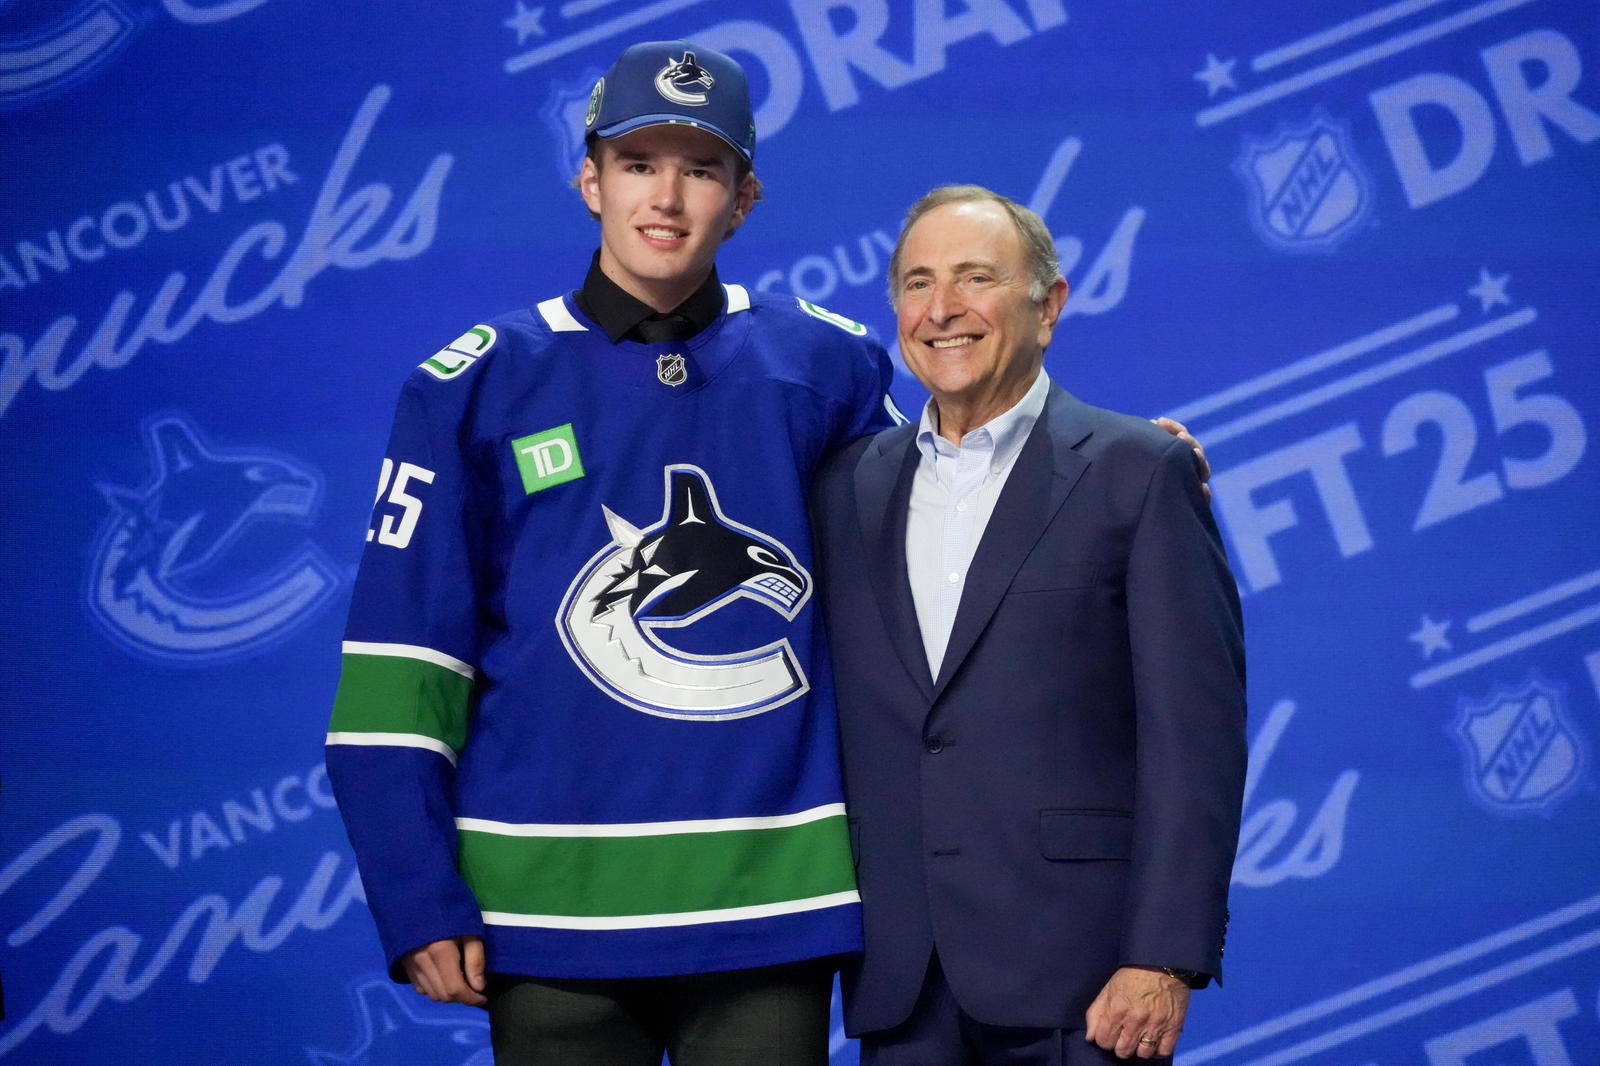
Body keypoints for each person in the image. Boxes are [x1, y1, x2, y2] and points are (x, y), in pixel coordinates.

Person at [323, 40, 901, 1066]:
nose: (666, 197)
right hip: (545, 910)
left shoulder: (828, 363)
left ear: (746, 195)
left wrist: (1120, 470)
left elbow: (945, 540)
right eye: (638, 163)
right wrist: (416, 892)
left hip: (769, 903)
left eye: (701, 168)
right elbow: (398, 671)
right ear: (589, 178)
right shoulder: (471, 384)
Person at [810, 185, 1248, 1065]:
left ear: (1048, 307)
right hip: (902, 982)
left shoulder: (1138, 471)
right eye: (918, 283)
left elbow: (1193, 739)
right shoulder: (842, 486)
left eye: (976, 279)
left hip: (1083, 987)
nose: (942, 311)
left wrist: (1162, 955)